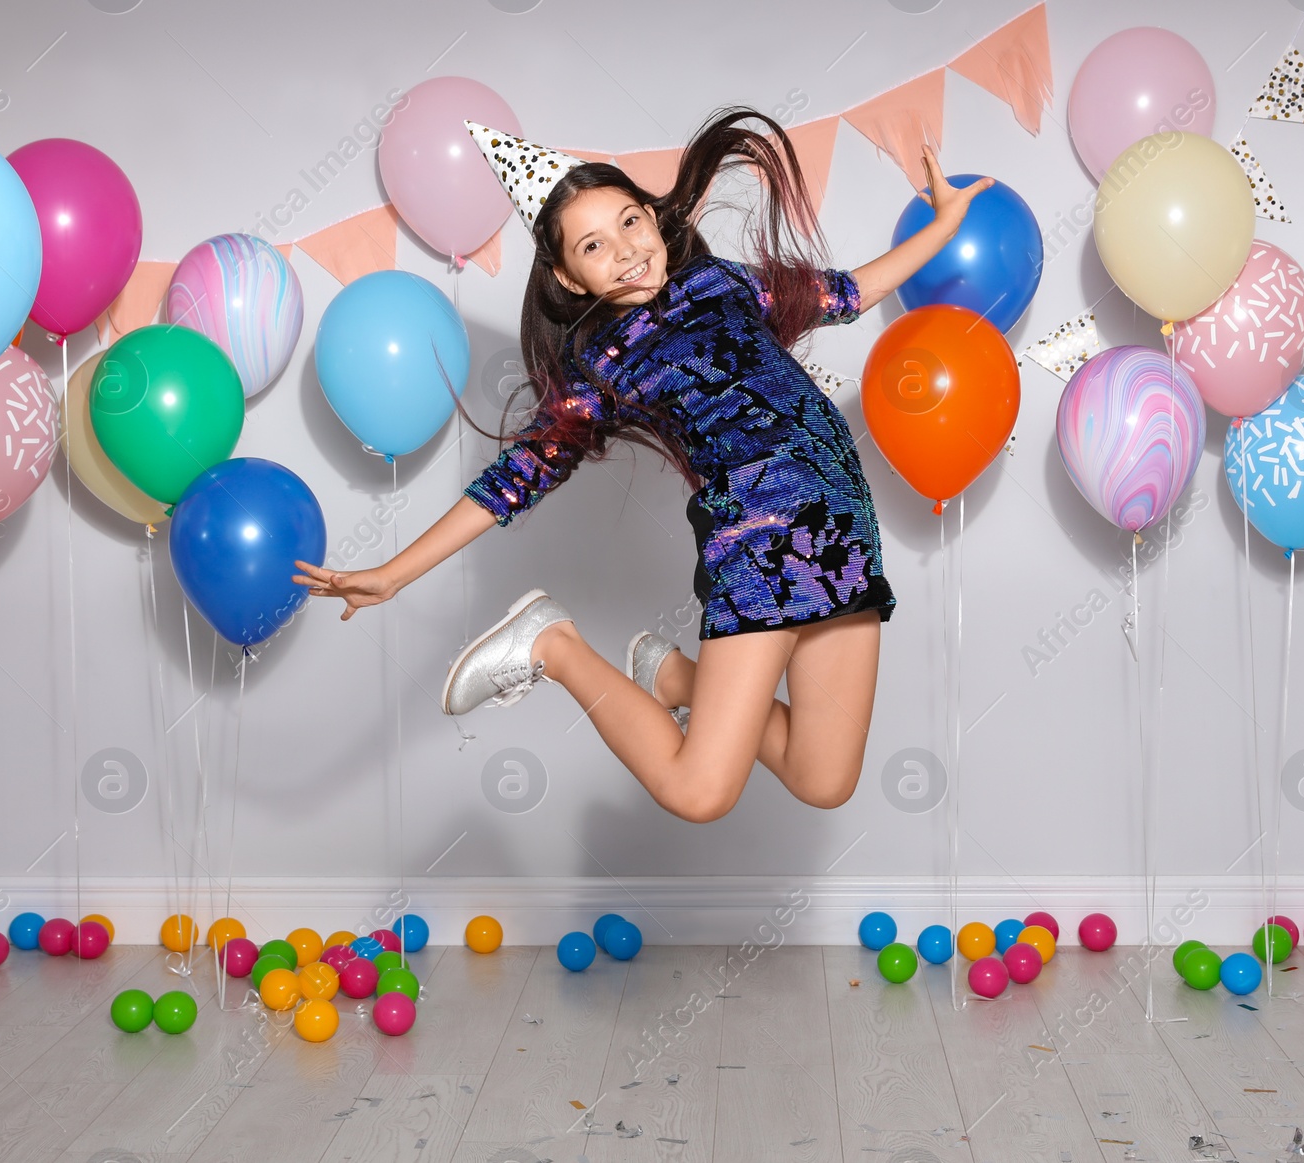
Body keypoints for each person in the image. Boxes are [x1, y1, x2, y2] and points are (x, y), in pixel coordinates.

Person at [295, 108, 990, 823]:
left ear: (656, 220)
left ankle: (673, 675)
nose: (627, 249)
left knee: (824, 779)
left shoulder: (721, 280)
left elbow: (843, 294)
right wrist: (391, 572)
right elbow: (513, 481)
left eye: (631, 221)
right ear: (568, 276)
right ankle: (553, 643)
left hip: (844, 528)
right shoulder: (600, 363)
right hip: (761, 543)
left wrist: (941, 226)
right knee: (699, 791)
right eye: (594, 245)